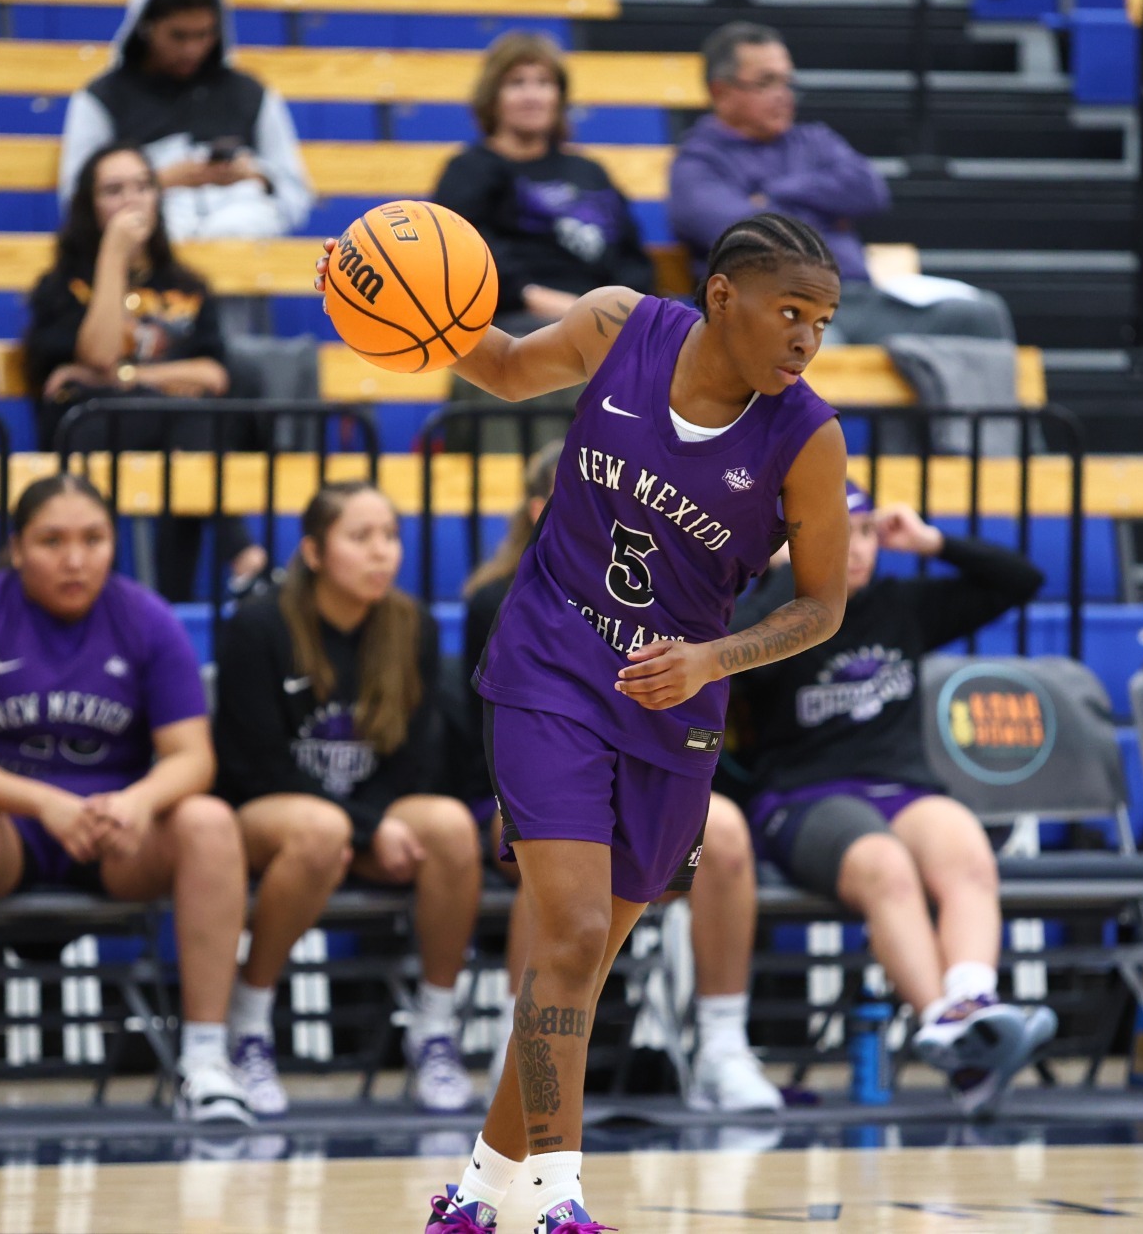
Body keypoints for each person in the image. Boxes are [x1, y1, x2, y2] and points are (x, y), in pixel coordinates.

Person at [321, 211, 852, 1234]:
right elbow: (506, 366)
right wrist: (374, 299)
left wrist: (711, 656)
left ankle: (477, 1192)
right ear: (721, 297)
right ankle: (556, 1197)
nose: (804, 340)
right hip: (550, 663)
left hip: (672, 702)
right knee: (563, 931)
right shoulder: (619, 326)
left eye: (820, 322)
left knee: (579, 965)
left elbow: (819, 608)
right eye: (789, 312)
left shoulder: (808, 439)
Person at [0, 473, 252, 1130]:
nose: (74, 557)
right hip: (3, 825)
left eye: (93, 538)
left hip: (109, 829)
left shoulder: (146, 616)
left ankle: (206, 1062)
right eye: (52, 540)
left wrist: (139, 801)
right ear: (17, 548)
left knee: (209, 821)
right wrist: (47, 804)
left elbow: (193, 756)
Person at [463, 442, 783, 1115]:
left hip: (645, 769)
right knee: (562, 839)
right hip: (521, 776)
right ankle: (515, 1042)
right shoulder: (499, 596)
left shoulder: (661, 587)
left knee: (722, 831)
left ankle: (723, 1042)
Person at [729, 481, 1056, 1116]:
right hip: (805, 797)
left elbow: (1021, 580)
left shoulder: (901, 607)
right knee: (885, 867)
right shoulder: (775, 615)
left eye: (866, 532)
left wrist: (934, 541)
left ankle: (968, 1005)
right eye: (833, 534)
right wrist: (778, 577)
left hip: (901, 789)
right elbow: (735, 659)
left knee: (966, 848)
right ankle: (948, 1030)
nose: (854, 549)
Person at [213, 482, 481, 1119]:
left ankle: (433, 1029)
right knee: (318, 831)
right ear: (313, 551)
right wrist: (366, 828)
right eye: (360, 538)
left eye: (390, 536)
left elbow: (417, 756)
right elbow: (256, 765)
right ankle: (248, 1022)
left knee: (448, 827)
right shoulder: (259, 625)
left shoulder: (408, 624)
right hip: (268, 814)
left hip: (364, 818)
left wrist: (373, 824)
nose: (381, 553)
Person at [668, 21, 1014, 347]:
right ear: (722, 92)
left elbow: (870, 191)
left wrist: (776, 194)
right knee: (808, 346)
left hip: (855, 299)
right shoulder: (697, 163)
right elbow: (750, 240)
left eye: (787, 82)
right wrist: (826, 211)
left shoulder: (814, 140)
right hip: (775, 308)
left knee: (980, 314)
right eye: (766, 82)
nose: (783, 95)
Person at [25, 143, 267, 602]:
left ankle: (173, 602)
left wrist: (126, 376)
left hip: (172, 428)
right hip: (92, 430)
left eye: (142, 186)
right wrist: (113, 258)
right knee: (192, 422)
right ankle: (244, 559)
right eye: (113, 190)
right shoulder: (63, 286)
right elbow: (97, 354)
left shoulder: (187, 284)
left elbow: (213, 375)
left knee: (195, 426)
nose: (131, 200)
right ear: (89, 205)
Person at [58, 0, 312, 245]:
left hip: (243, 246)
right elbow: (77, 199)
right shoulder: (101, 98)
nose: (192, 50)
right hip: (148, 253)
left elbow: (296, 194)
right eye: (178, 36)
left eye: (204, 35)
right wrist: (156, 182)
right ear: (145, 27)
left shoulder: (251, 93)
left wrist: (255, 177)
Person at [433, 32, 655, 338]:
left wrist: (619, 308)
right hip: (515, 323)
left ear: (558, 96)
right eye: (516, 83)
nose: (532, 95)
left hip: (602, 319)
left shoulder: (590, 171)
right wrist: (537, 298)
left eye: (544, 82)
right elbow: (465, 258)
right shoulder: (469, 170)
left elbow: (630, 258)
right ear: (492, 97)